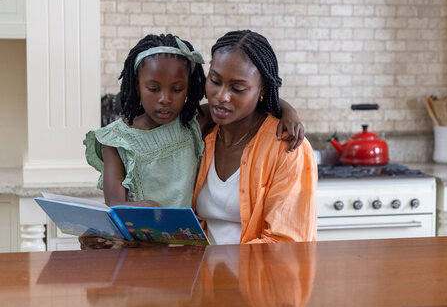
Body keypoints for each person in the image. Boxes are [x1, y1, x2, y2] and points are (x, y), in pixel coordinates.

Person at [81, 33, 304, 249]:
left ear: (188, 89)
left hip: (190, 260)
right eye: (215, 81)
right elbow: (114, 204)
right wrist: (146, 209)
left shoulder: (192, 123)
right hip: (149, 251)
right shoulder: (118, 139)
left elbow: (258, 98)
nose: (165, 99)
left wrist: (288, 112)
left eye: (177, 89)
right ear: (136, 85)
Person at [193, 30, 318, 244]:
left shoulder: (287, 147)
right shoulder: (201, 135)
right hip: (201, 274)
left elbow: (286, 242)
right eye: (214, 81)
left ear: (262, 90)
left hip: (257, 276)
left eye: (238, 88)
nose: (221, 96)